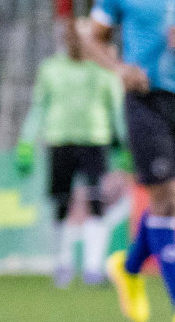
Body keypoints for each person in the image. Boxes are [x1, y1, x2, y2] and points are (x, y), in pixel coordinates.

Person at [86, 0, 175, 322]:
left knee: (168, 200)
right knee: (166, 198)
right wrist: (119, 68)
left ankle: (129, 267)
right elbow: (93, 38)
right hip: (146, 101)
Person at [16, 20, 125, 287]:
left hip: (95, 141)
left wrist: (125, 145)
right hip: (60, 141)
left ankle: (93, 267)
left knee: (97, 202)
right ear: (68, 40)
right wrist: (27, 141)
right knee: (61, 203)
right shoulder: (51, 68)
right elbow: (39, 106)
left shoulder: (103, 70)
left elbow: (117, 108)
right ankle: (63, 264)